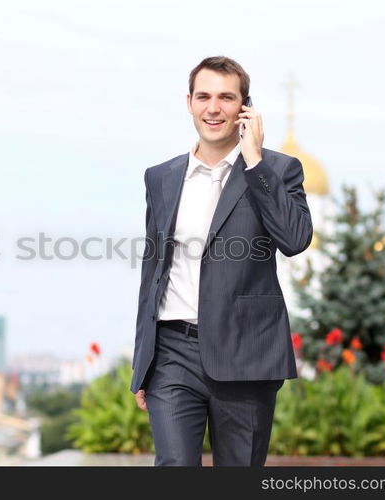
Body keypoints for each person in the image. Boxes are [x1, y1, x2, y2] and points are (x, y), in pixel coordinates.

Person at [131, 56, 313, 466]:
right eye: (204, 97)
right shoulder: (160, 177)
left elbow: (295, 239)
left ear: (244, 108)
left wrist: (255, 163)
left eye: (226, 98)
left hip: (246, 352)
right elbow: (152, 272)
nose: (213, 108)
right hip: (173, 351)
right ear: (190, 102)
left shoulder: (278, 170)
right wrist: (143, 360)